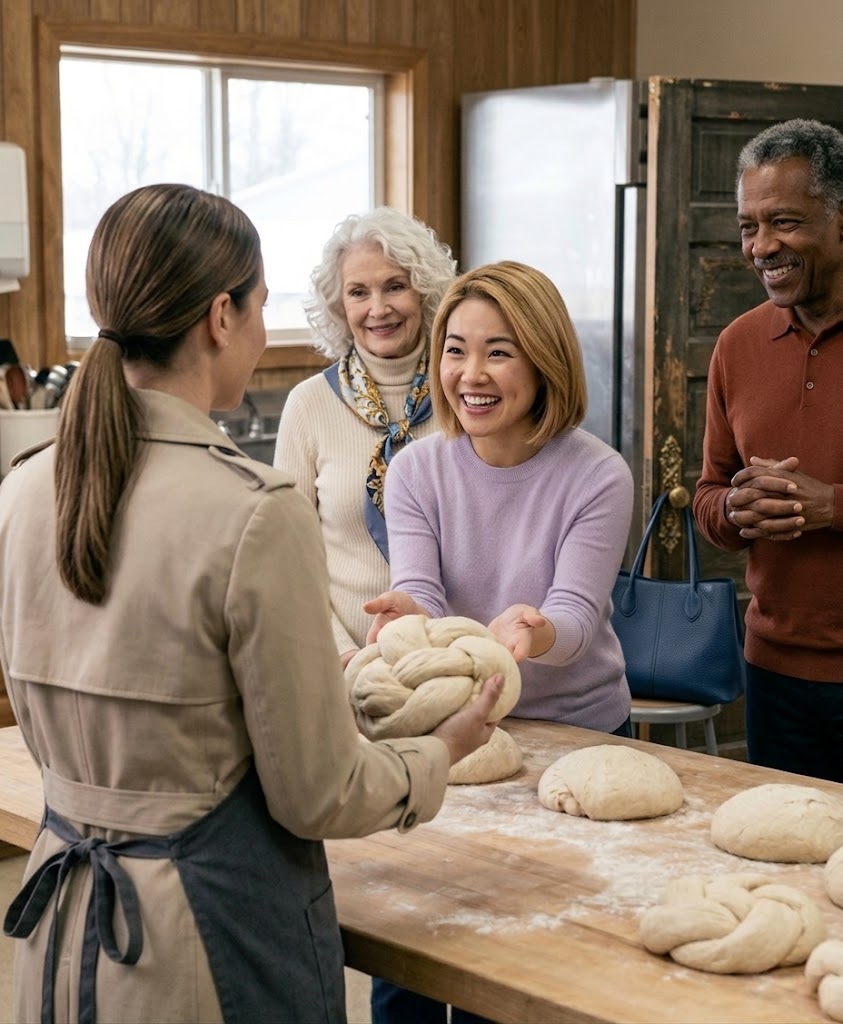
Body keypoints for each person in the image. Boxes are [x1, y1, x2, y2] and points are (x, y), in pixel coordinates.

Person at [0, 183, 504, 1024]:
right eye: (262, 305)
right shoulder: (251, 508)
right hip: (207, 935)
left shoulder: (20, 489)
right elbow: (318, 793)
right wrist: (439, 753)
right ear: (220, 316)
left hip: (65, 926)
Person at [366, 260, 634, 735]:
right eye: (455, 351)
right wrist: (411, 613)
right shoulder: (414, 469)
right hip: (463, 717)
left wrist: (535, 629)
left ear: (543, 361)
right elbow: (423, 590)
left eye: (497, 353)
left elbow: (574, 620)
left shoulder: (598, 475)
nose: (471, 375)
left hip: (580, 726)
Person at [693, 118, 843, 783]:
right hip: (773, 670)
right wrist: (736, 508)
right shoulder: (737, 344)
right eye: (748, 226)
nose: (761, 247)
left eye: (783, 221)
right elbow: (705, 495)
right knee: (783, 875)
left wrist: (830, 507)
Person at [273, 207, 457, 669]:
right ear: (340, 306)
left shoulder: (466, 394)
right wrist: (344, 655)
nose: (378, 309)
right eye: (359, 292)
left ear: (426, 291)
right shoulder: (308, 405)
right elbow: (287, 559)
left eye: (395, 285)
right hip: (346, 664)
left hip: (454, 655)